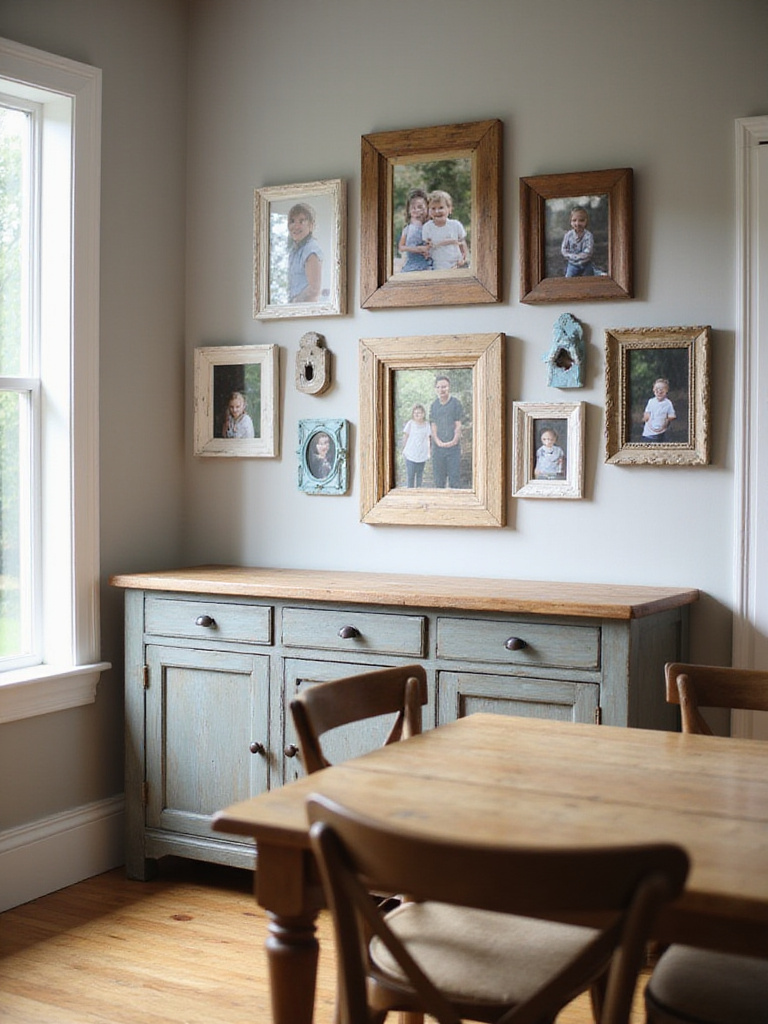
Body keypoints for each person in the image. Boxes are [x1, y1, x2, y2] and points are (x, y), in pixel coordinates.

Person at [421, 190, 469, 271]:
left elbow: (462, 243)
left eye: (441, 207)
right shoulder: (427, 227)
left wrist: (463, 258)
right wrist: (427, 250)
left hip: (456, 263)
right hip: (438, 264)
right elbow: (427, 245)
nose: (437, 211)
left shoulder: (455, 225)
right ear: (428, 211)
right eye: (433, 208)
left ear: (449, 209)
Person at [430, 376, 463, 488]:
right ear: (435, 389)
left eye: (444, 387)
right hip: (438, 449)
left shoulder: (456, 403)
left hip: (453, 449)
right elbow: (433, 425)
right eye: (438, 387)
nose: (441, 390)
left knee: (454, 480)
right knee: (439, 481)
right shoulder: (434, 405)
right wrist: (438, 442)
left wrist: (453, 441)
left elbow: (458, 425)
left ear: (449, 387)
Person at [287, 202, 323, 302]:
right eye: (292, 221)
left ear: (311, 225)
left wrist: (295, 302)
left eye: (302, 221)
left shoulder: (311, 249)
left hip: (306, 309)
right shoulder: (294, 251)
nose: (296, 226)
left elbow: (314, 288)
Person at [397, 189, 432, 272]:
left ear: (427, 208)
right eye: (413, 208)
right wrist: (417, 249)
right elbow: (401, 247)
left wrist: (427, 249)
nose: (416, 210)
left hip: (427, 265)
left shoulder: (431, 227)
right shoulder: (407, 229)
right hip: (411, 265)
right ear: (409, 211)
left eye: (420, 207)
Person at [401, 403, 431, 487]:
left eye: (419, 413)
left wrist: (428, 452)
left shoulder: (427, 425)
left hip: (421, 455)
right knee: (410, 476)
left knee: (419, 476)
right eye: (415, 413)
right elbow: (405, 437)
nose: (417, 414)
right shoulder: (410, 424)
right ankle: (410, 494)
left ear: (423, 414)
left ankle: (418, 493)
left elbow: (428, 439)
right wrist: (404, 449)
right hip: (410, 454)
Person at [561, 206, 595, 277]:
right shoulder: (568, 235)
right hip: (572, 264)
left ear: (586, 221)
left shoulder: (588, 235)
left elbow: (589, 251)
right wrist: (572, 256)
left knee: (590, 279)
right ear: (571, 222)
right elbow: (564, 249)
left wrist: (580, 256)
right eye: (574, 220)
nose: (577, 223)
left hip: (586, 263)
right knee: (568, 279)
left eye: (581, 220)